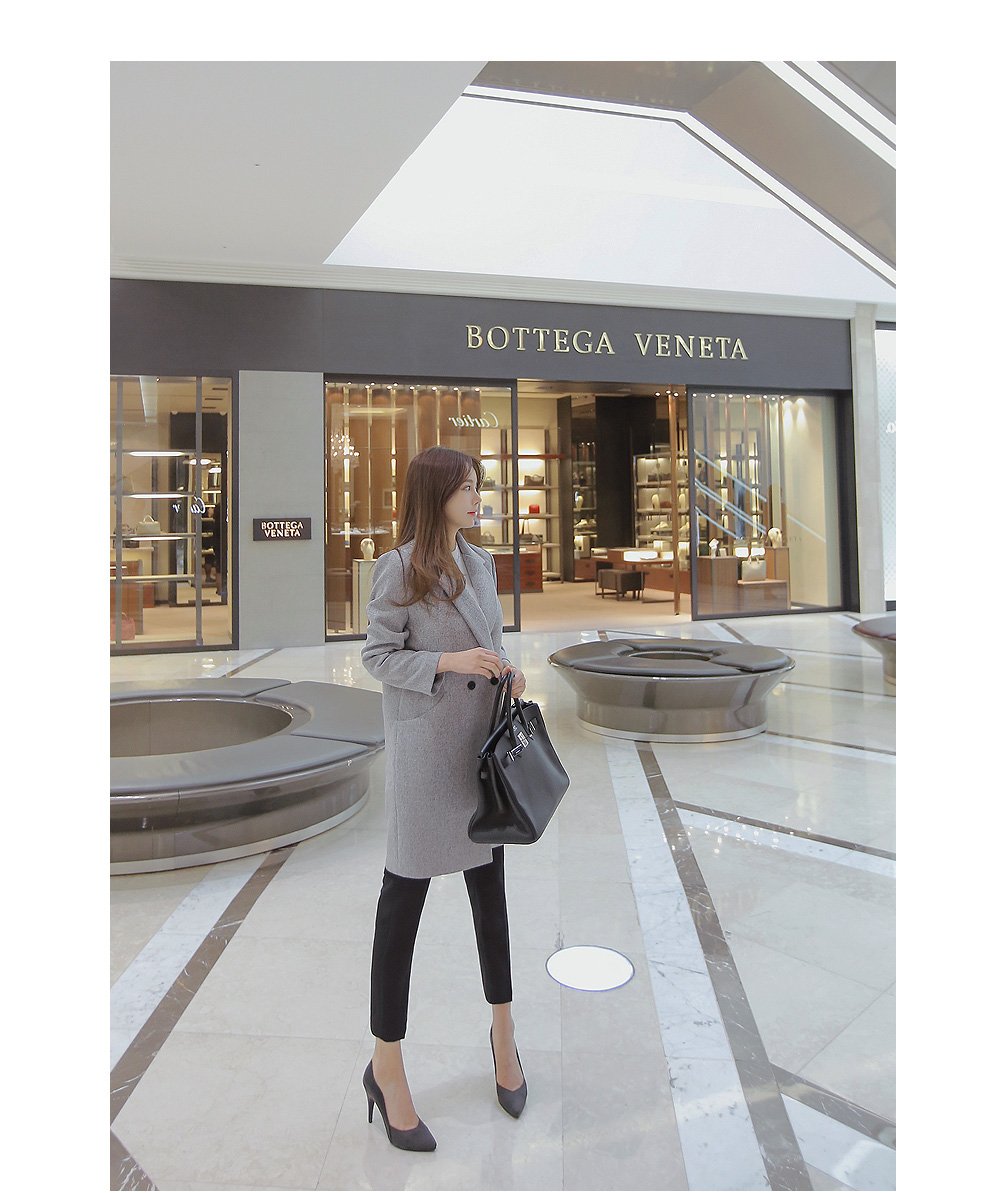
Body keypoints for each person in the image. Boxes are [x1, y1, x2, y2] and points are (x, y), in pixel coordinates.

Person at [361, 444, 528, 1152]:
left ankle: (504, 1036)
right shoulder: (398, 568)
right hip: (428, 758)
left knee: (492, 902)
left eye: (477, 485)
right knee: (402, 910)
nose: (477, 496)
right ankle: (386, 1066)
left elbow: (492, 639)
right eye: (466, 487)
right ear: (435, 495)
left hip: (480, 756)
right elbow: (377, 654)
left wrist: (505, 668)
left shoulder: (482, 562)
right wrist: (449, 662)